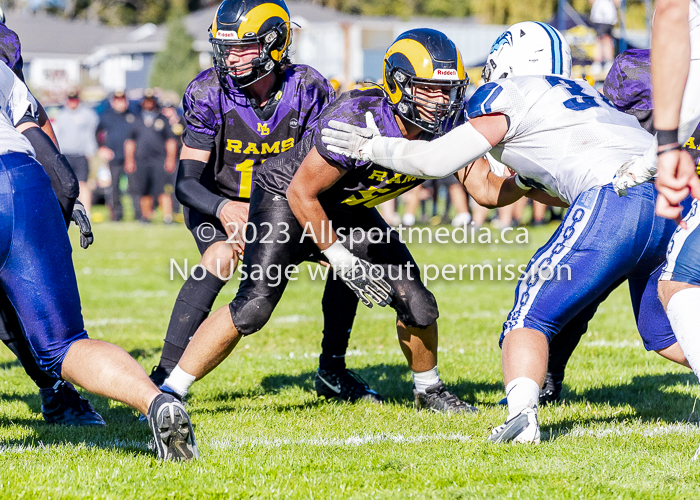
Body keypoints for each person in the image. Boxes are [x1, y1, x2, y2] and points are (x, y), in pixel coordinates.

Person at [320, 21, 690, 442]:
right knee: (665, 331)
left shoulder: (507, 94)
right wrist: (525, 182)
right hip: (670, 197)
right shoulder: (588, 93)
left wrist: (372, 147)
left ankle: (522, 419)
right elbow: (498, 191)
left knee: (528, 316)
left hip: (616, 195)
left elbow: (435, 161)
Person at [159, 28, 479, 414]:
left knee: (419, 302)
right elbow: (301, 193)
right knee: (253, 306)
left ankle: (428, 391)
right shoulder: (361, 117)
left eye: (447, 90)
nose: (440, 101)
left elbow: (485, 189)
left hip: (345, 207)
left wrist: (528, 181)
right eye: (428, 89)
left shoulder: (452, 123)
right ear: (399, 85)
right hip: (284, 197)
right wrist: (340, 256)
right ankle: (170, 391)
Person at [148, 0, 382, 405]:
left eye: (242, 46)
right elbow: (185, 184)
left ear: (275, 44)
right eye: (226, 47)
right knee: (220, 257)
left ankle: (332, 371)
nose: (230, 57)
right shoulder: (208, 92)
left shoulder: (307, 88)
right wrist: (224, 209)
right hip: (219, 201)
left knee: (343, 259)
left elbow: (319, 170)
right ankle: (165, 375)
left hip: (282, 203)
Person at [0, 62, 197, 460]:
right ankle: (155, 402)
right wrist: (65, 194)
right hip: (21, 178)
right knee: (66, 345)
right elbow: (37, 130)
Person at [1, 19, 101, 425]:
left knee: (15, 307)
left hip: (17, 179)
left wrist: (54, 186)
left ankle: (56, 389)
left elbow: (28, 113)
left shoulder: (6, 47)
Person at [124, 90, 178, 224]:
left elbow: (170, 141)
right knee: (144, 190)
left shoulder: (162, 119)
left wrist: (170, 159)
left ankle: (168, 217)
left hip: (159, 160)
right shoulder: (136, 119)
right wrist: (129, 160)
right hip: (141, 160)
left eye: (151, 100)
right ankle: (145, 217)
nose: (148, 103)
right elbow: (130, 142)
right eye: (146, 100)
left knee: (162, 189)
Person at [53, 90, 99, 216]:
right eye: (70, 99)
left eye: (74, 100)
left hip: (81, 154)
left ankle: (86, 212)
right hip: (66, 154)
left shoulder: (88, 114)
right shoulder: (61, 115)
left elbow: (91, 133)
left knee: (83, 183)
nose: (72, 102)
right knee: (65, 184)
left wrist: (91, 151)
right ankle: (67, 211)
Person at [96, 90, 134, 222]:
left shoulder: (132, 115)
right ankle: (116, 215)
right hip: (114, 157)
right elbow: (97, 133)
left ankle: (140, 215)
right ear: (113, 102)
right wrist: (101, 148)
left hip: (132, 157)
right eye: (117, 100)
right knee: (114, 188)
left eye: (122, 100)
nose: (120, 103)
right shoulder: (106, 116)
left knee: (134, 187)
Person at [589, 0, 621, 74]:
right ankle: (597, 62)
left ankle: (609, 62)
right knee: (598, 39)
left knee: (606, 39)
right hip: (597, 16)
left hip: (608, 17)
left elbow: (617, 3)